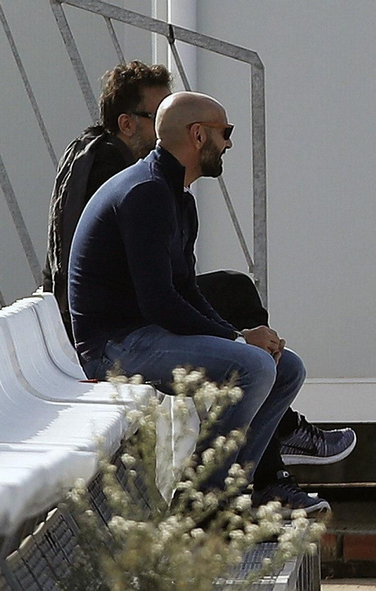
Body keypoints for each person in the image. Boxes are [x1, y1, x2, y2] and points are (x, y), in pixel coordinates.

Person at [44, 63, 354, 511]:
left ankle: (231, 494)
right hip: (114, 347)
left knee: (286, 367)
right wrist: (235, 338)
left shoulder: (177, 198)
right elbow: (159, 302)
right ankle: (202, 504)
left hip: (146, 335)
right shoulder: (147, 192)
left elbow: (186, 290)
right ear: (197, 136)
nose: (229, 142)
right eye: (224, 131)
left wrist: (242, 335)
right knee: (256, 367)